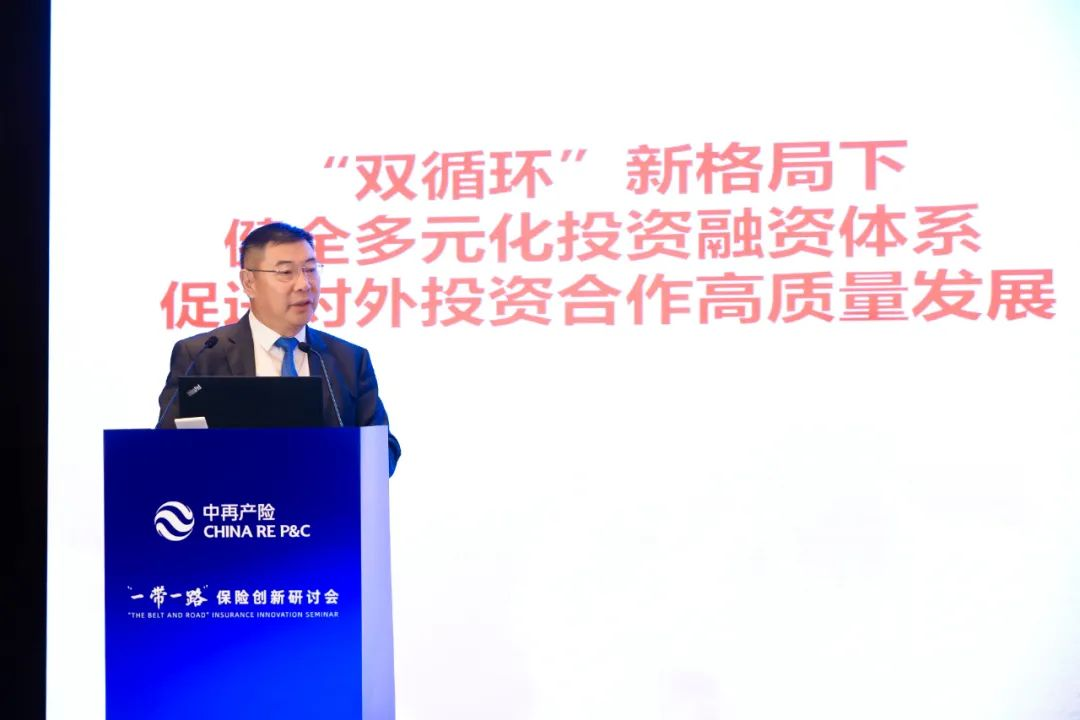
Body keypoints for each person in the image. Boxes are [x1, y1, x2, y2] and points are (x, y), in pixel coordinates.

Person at [156, 222, 401, 475]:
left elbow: (385, 446)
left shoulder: (348, 359)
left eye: (310, 269)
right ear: (249, 282)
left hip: (323, 498)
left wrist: (344, 466)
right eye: (286, 272)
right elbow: (164, 446)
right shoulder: (203, 355)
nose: (304, 284)